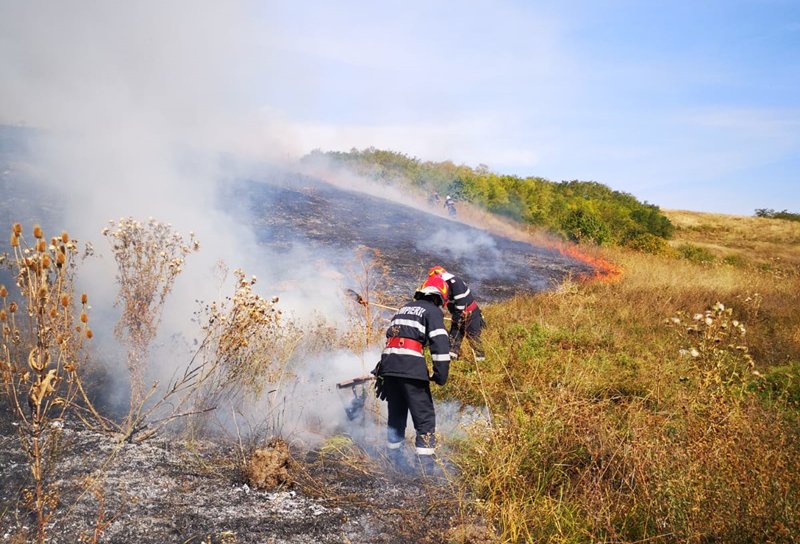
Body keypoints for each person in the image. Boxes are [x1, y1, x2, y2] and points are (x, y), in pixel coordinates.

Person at [373, 274, 450, 473]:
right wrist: (440, 375)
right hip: (410, 368)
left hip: (389, 366)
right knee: (424, 419)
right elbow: (440, 344)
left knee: (396, 416)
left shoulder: (403, 308)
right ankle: (425, 471)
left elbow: (391, 338)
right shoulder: (432, 311)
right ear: (439, 298)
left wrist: (383, 371)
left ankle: (393, 463)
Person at [427, 266, 485, 362]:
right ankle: (452, 359)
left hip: (470, 314)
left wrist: (458, 318)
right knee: (454, 338)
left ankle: (481, 362)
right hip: (457, 314)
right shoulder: (444, 285)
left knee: (473, 337)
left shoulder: (455, 282)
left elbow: (461, 303)